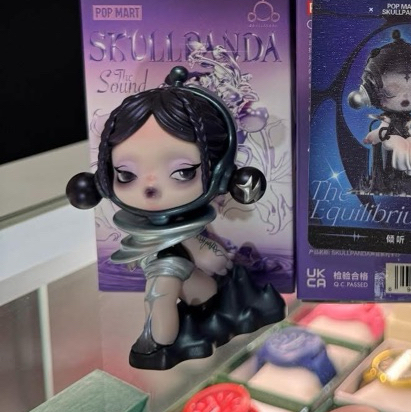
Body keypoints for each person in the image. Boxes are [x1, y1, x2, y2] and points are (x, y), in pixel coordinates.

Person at [66, 66, 285, 370]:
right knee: (161, 290)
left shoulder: (192, 231)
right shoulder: (141, 225)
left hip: (197, 286)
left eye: (182, 173)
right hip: (178, 275)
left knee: (162, 291)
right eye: (126, 174)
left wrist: (201, 247)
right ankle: (159, 342)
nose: (150, 187)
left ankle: (160, 343)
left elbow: (200, 245)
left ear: (221, 174)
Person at [347, 30, 411, 197]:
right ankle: (395, 174)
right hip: (389, 138)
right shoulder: (387, 118)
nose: (405, 100)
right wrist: (374, 136)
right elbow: (381, 130)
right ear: (371, 92)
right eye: (391, 92)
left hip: (404, 138)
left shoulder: (409, 119)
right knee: (400, 145)